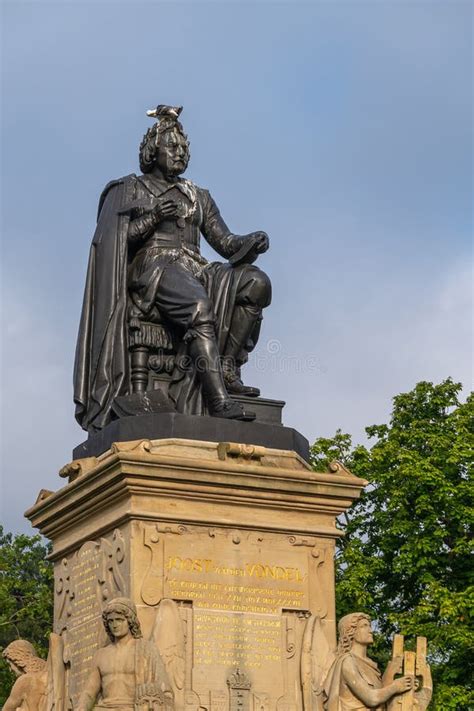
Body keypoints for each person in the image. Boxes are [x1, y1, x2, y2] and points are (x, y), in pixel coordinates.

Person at [74, 105, 272, 433]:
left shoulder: (199, 196)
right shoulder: (128, 188)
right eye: (172, 147)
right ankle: (218, 400)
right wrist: (152, 217)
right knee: (198, 305)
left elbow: (225, 243)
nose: (180, 153)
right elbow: (113, 242)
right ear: (153, 151)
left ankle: (225, 369)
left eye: (184, 148)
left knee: (256, 283)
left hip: (196, 266)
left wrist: (251, 240)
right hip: (153, 268)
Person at [77, 597, 174, 711]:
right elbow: (89, 692)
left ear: (130, 621)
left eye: (119, 620)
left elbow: (165, 690)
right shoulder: (101, 655)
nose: (115, 625)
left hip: (134, 707)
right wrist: (81, 708)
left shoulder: (147, 650)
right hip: (105, 708)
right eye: (110, 621)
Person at [324, 613, 413, 711]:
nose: (370, 631)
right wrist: (395, 687)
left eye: (370, 626)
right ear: (351, 632)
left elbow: (381, 695)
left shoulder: (371, 665)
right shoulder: (347, 661)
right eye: (364, 626)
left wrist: (404, 682)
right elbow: (371, 699)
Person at [2, 639, 48, 711]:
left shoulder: (25, 680)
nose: (10, 669)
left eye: (10, 664)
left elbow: (7, 709)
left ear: (17, 660)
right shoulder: (47, 674)